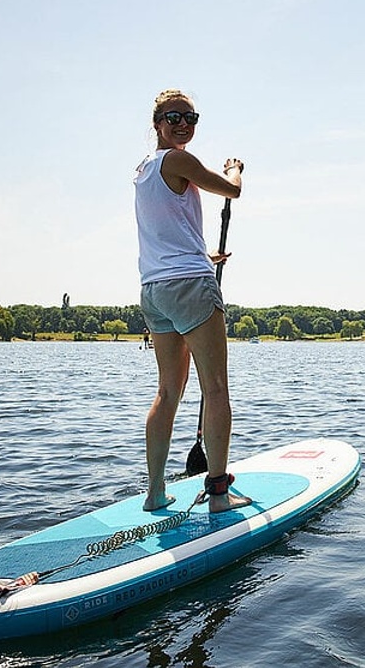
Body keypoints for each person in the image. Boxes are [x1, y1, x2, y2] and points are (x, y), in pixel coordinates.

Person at [133, 88, 251, 513]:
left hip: (155, 290)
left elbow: (168, 229)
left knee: (168, 392)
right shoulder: (177, 160)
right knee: (215, 388)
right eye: (173, 116)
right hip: (189, 286)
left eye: (191, 117)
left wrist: (203, 255)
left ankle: (155, 492)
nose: (183, 123)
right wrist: (235, 170)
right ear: (157, 122)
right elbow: (230, 191)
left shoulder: (143, 170)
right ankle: (219, 493)